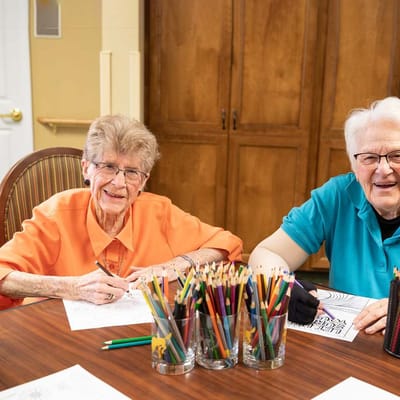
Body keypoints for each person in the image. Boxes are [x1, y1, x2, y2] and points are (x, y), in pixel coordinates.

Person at [0, 115, 242, 309]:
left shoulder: (159, 211)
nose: (119, 182)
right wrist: (72, 287)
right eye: (108, 167)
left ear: (144, 181)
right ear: (86, 168)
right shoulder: (56, 215)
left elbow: (226, 244)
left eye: (132, 172)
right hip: (61, 343)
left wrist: (177, 264)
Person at [249, 96, 400, 334]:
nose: (383, 169)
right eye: (369, 157)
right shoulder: (337, 196)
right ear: (355, 166)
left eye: (397, 155)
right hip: (349, 344)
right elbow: (267, 253)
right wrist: (282, 287)